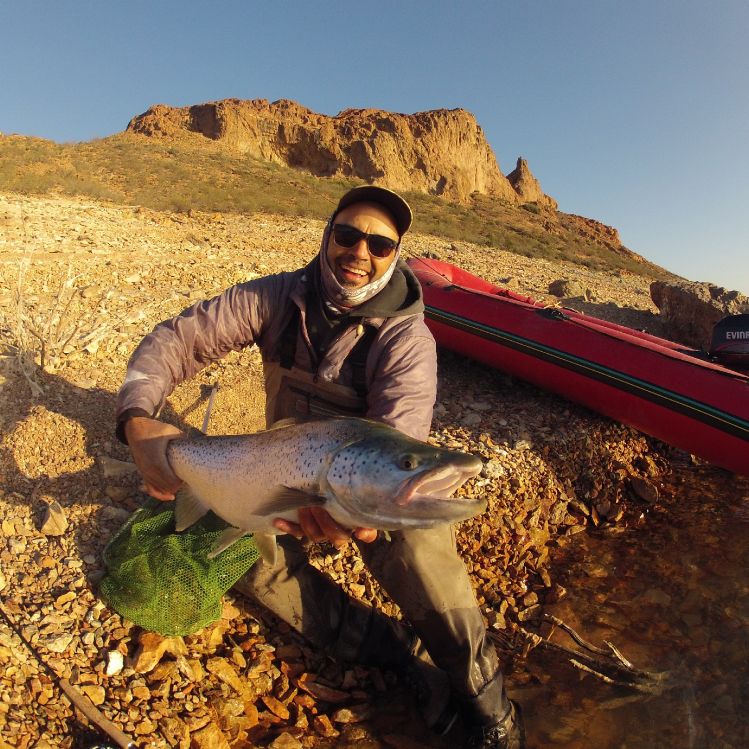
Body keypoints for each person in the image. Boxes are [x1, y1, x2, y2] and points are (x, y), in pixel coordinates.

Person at [115, 185, 523, 748]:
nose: (361, 252)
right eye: (348, 235)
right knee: (244, 564)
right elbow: (176, 341)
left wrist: (358, 512)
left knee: (420, 546)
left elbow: (398, 444)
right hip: (277, 475)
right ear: (327, 235)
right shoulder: (273, 298)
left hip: (356, 490)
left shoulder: (409, 341)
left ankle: (488, 706)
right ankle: (393, 652)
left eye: (379, 244)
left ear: (396, 255)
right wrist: (137, 421)